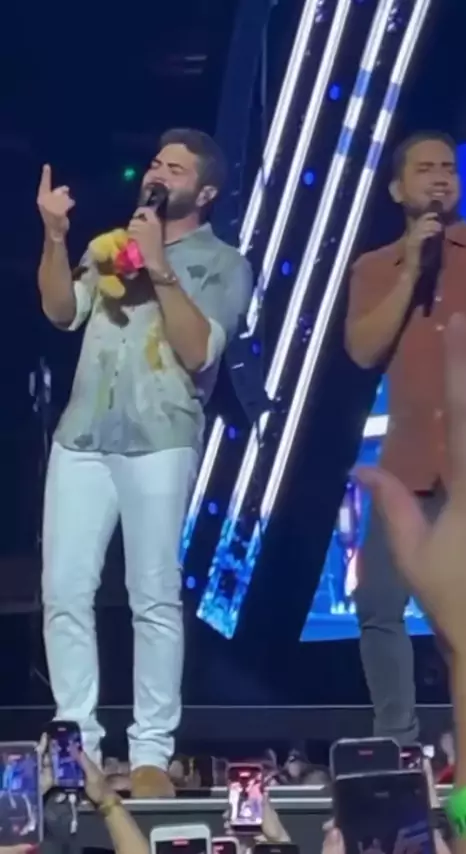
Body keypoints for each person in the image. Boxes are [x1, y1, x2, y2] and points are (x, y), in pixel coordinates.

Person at [36, 127, 253, 797]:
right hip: (82, 437)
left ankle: (152, 750)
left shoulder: (224, 264)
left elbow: (199, 351)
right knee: (64, 592)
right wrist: (55, 237)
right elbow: (61, 310)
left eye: (175, 168)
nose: (157, 173)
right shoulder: (110, 245)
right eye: (156, 162)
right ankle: (77, 747)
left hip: (161, 437)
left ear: (205, 193)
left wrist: (159, 266)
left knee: (152, 595)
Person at [344, 131, 466, 744]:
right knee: (378, 603)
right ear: (398, 189)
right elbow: (362, 349)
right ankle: (395, 742)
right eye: (425, 169)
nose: (440, 178)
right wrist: (411, 272)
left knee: (465, 616)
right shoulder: (375, 268)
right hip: (408, 466)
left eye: (448, 168)